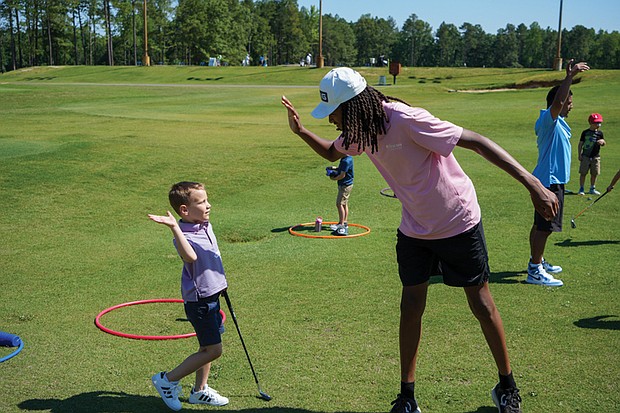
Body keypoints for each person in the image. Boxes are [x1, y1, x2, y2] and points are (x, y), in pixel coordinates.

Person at [282, 67, 559, 413]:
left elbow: (474, 141)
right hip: (415, 227)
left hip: (457, 220)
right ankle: (407, 397)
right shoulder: (360, 128)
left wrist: (533, 185)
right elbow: (331, 153)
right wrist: (301, 131)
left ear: (352, 105)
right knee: (410, 306)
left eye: (334, 113)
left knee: (482, 305)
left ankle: (507, 388)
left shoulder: (406, 119)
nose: (332, 121)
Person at [148, 181, 229, 411]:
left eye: (206, 199)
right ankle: (167, 379)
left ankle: (199, 390)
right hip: (200, 302)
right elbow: (190, 257)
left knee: (206, 349)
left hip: (213, 296)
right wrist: (174, 227)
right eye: (202, 202)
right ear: (184, 210)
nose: (208, 205)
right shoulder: (183, 235)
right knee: (214, 350)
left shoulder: (204, 224)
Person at [528, 59, 590, 287]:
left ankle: (538, 261)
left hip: (551, 180)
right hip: (548, 182)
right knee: (545, 228)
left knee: (539, 226)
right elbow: (559, 101)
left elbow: (561, 102)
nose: (570, 105)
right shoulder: (548, 120)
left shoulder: (560, 123)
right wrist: (569, 77)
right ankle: (535, 271)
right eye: (568, 102)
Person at [578, 113, 606, 195]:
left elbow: (604, 142)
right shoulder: (585, 133)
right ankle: (581, 188)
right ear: (591, 123)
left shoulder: (600, 133)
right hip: (586, 156)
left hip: (596, 156)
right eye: (596, 123)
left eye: (599, 123)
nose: (598, 125)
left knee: (594, 173)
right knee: (583, 173)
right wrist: (579, 154)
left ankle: (592, 188)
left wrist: (602, 142)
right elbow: (580, 144)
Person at [326, 155, 354, 235]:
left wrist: (333, 178)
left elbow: (342, 175)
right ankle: (344, 222)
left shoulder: (345, 160)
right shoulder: (347, 158)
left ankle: (341, 225)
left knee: (339, 204)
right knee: (344, 204)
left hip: (345, 185)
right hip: (347, 185)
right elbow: (342, 169)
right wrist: (334, 168)